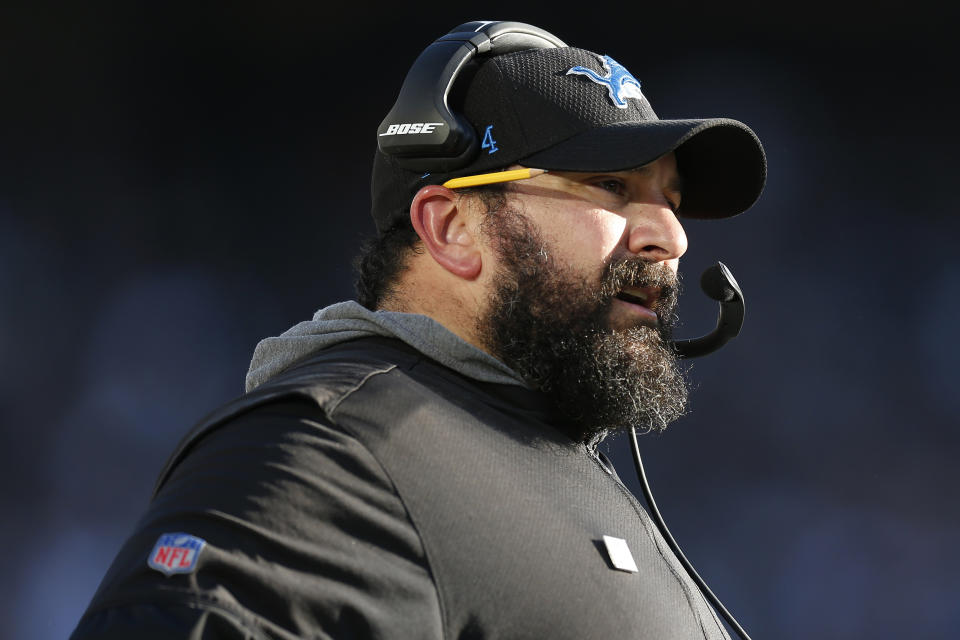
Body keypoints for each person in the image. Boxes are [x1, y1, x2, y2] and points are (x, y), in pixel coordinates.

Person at [72, 20, 765, 640]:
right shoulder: (332, 456)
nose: (671, 235)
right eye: (611, 185)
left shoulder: (546, 458)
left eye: (669, 200)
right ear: (451, 228)